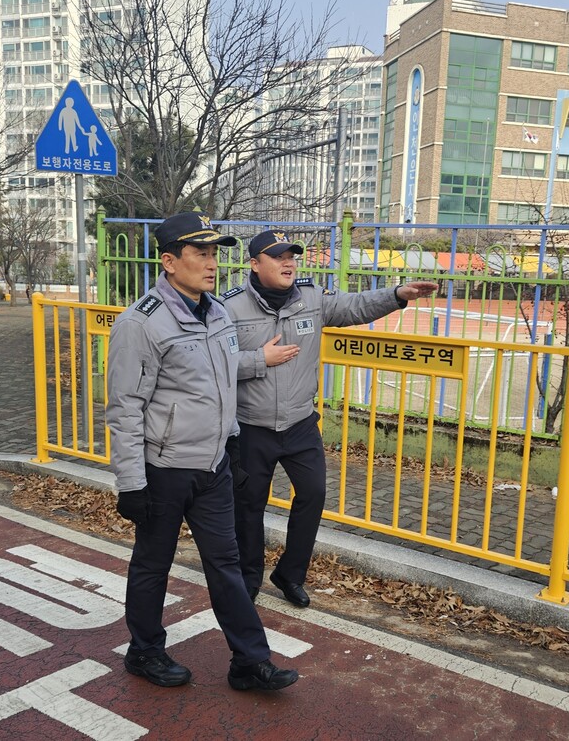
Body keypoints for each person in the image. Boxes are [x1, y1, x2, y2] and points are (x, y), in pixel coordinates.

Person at [105, 211, 298, 692]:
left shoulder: (217, 313)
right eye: (200, 253)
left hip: (212, 468)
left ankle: (249, 661)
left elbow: (219, 381)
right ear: (169, 260)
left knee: (227, 566)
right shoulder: (140, 323)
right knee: (153, 564)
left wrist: (232, 446)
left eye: (215, 254)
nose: (212, 264)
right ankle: (144, 650)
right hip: (164, 469)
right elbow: (125, 408)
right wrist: (131, 483)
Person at [222, 229, 438, 607]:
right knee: (249, 505)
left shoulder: (310, 297)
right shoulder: (229, 308)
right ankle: (247, 578)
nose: (289, 262)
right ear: (254, 264)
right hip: (251, 426)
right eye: (278, 257)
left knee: (313, 494)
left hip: (301, 423)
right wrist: (259, 360)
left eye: (292, 256)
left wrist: (396, 295)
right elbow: (214, 363)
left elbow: (354, 306)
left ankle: (290, 574)